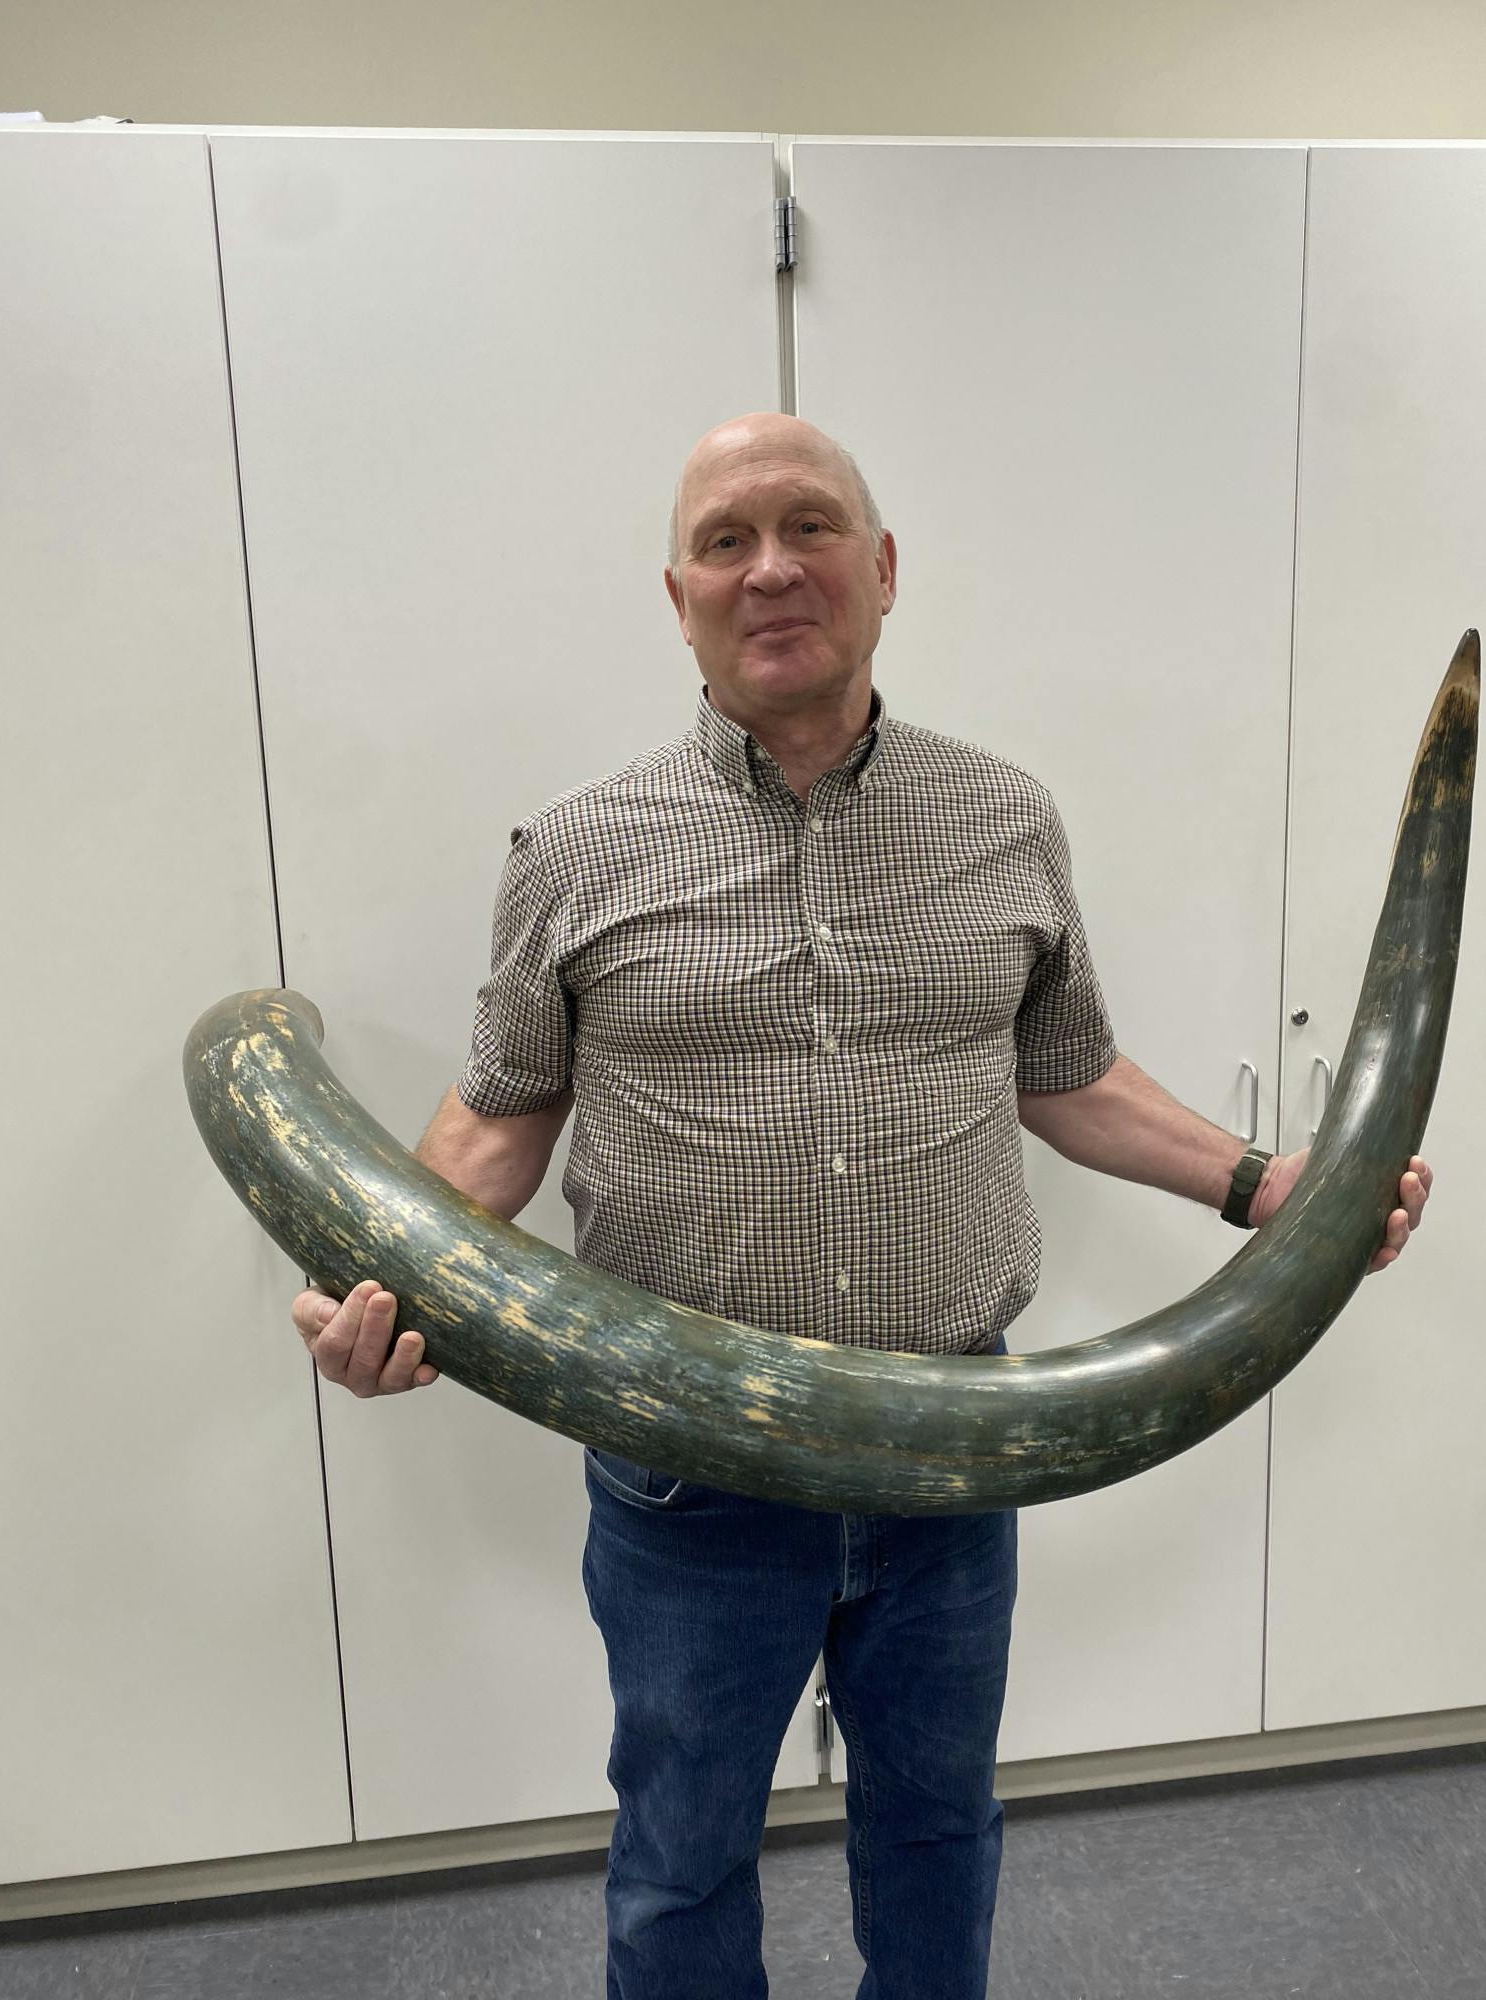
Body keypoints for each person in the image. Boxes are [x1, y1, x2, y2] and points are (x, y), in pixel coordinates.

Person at [291, 412, 1432, 1999]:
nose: (773, 568)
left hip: (954, 1448)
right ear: (676, 594)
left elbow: (1069, 1074)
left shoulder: (1006, 819)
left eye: (811, 526)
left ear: (883, 568)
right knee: (680, 1859)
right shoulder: (573, 849)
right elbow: (498, 1122)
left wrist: (1262, 1185)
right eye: (726, 540)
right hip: (689, 1476)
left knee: (940, 1832)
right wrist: (379, 1280)